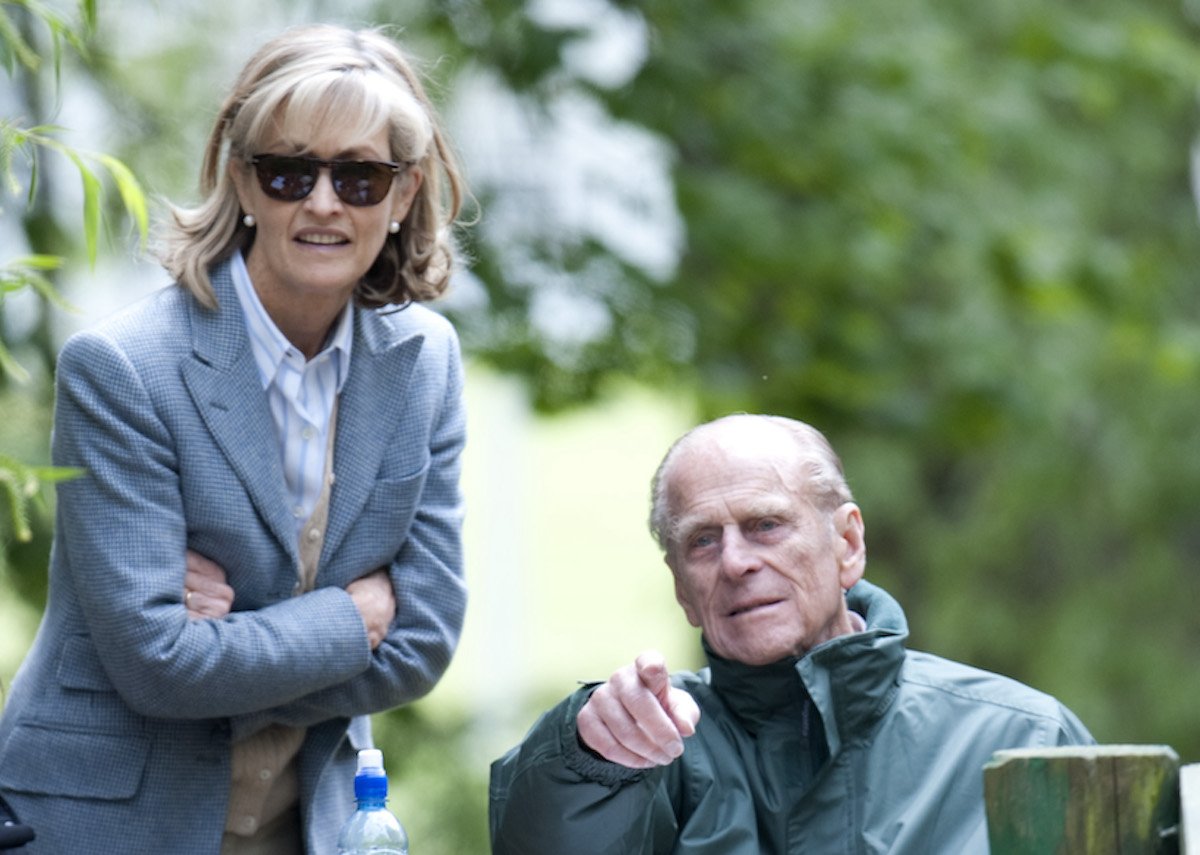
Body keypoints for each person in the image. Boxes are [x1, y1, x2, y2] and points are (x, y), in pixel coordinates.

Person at [0, 23, 469, 853]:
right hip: (107, 825)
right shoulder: (122, 370)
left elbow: (423, 642)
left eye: (359, 176)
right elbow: (156, 664)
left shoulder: (426, 362)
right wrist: (340, 623)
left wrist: (222, 646)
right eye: (289, 172)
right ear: (243, 183)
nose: (322, 203)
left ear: (403, 195)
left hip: (311, 824)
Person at [489, 414, 1095, 853]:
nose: (734, 563)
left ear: (847, 544)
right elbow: (542, 838)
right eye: (702, 540)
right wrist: (589, 754)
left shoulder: (1026, 740)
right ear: (681, 587)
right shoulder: (645, 750)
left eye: (766, 525)